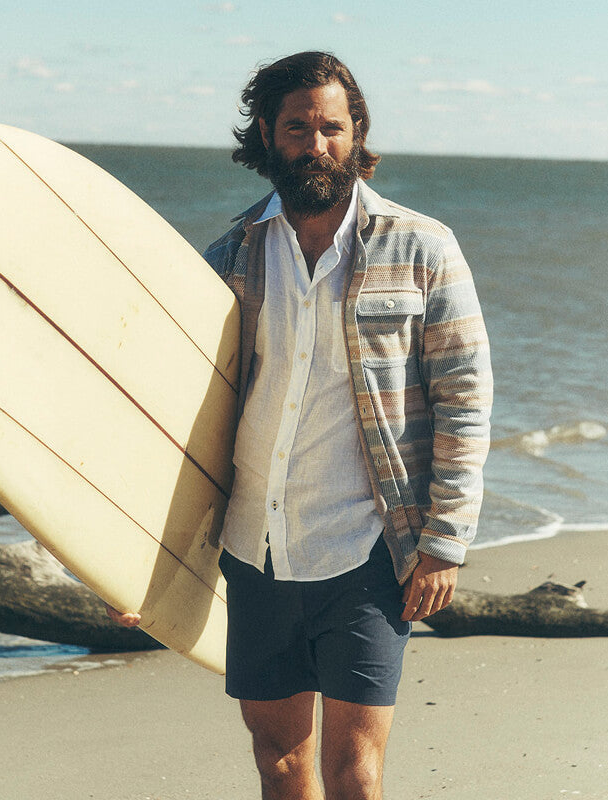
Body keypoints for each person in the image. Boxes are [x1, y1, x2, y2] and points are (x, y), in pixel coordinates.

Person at [109, 51, 492, 799]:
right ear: (267, 135)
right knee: (279, 759)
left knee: (356, 770)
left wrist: (445, 543)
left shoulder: (422, 249)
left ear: (357, 134)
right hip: (257, 550)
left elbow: (465, 396)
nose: (316, 144)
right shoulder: (230, 255)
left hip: (368, 549)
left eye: (332, 128)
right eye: (298, 128)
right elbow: (180, 416)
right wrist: (131, 557)